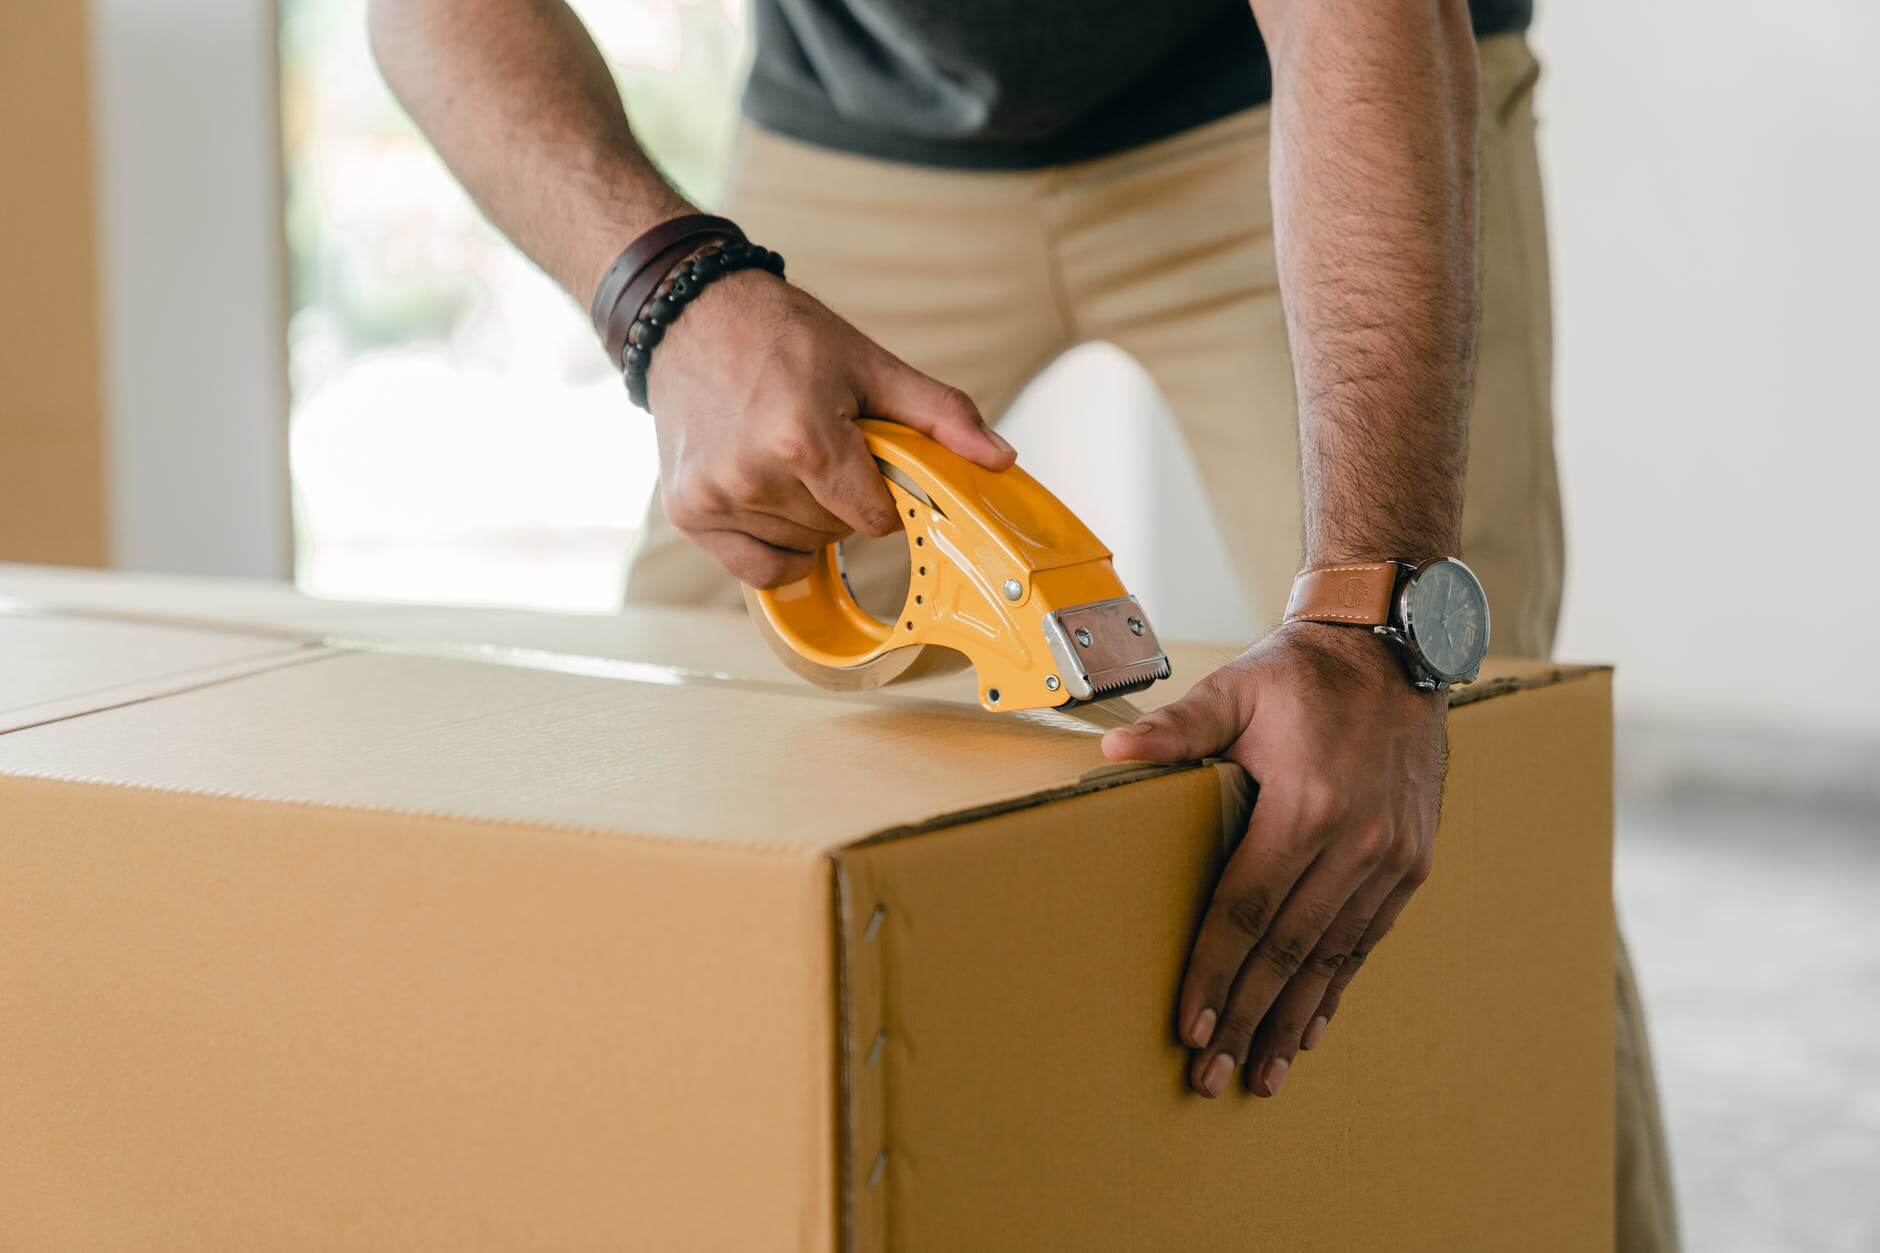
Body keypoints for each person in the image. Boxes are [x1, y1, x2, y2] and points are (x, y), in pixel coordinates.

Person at [370, 1, 1677, 1245]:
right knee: (703, 738)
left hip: (1294, 93)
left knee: (1459, 782)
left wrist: (1374, 616)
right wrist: (675, 295)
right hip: (866, 125)